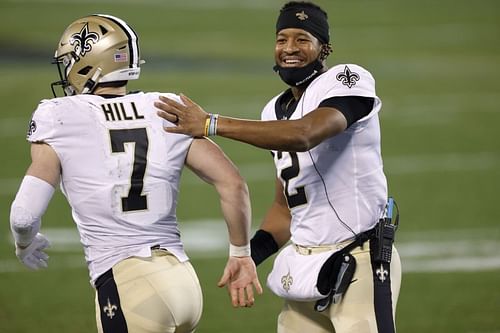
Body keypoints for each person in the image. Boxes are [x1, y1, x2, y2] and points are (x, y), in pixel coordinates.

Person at [154, 1, 402, 332]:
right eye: (282, 39)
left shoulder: (347, 79)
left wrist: (212, 124)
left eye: (302, 39)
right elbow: (285, 210)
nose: (289, 48)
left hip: (358, 260)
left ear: (323, 47)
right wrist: (248, 255)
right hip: (305, 265)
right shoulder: (274, 110)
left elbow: (305, 134)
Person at [9, 14, 262, 333]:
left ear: (88, 62)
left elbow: (23, 216)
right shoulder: (164, 108)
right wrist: (240, 253)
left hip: (130, 285)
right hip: (183, 281)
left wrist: (24, 243)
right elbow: (233, 183)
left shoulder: (60, 115)